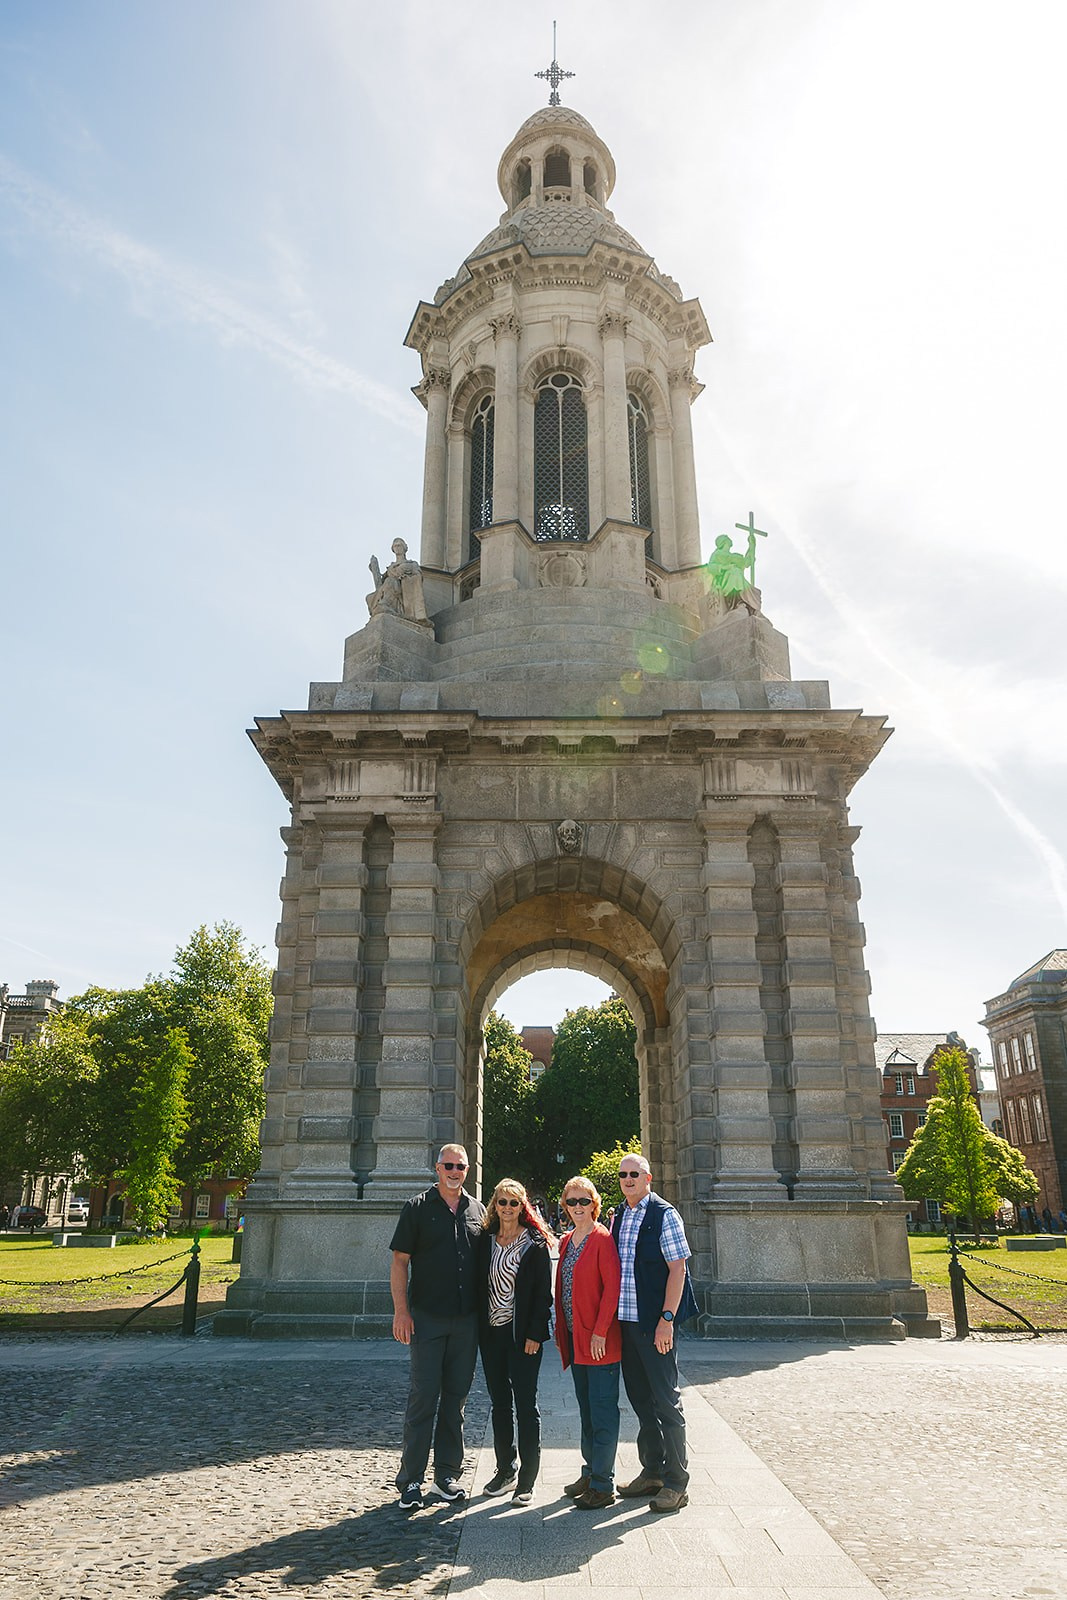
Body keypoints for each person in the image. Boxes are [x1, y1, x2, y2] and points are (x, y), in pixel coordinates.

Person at [389, 1143, 486, 1512]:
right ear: (437, 1167)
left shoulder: (477, 1210)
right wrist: (402, 1312)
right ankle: (411, 1480)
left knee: (455, 1402)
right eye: (448, 1164)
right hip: (426, 1319)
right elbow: (400, 1263)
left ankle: (446, 1475)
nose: (455, 1171)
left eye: (460, 1166)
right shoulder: (416, 1208)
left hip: (466, 1322)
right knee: (422, 1400)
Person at [611, 1153, 698, 1514]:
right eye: (623, 1175)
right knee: (641, 1401)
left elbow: (677, 1270)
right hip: (627, 1325)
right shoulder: (619, 1216)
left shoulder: (664, 1215)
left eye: (635, 1174)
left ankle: (677, 1483)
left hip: (654, 1325)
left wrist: (667, 1319)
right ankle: (653, 1470)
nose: (628, 1179)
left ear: (648, 1178)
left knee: (666, 1402)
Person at [476, 1179, 553, 1504]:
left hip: (523, 1336)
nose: (508, 1208)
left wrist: (535, 1333)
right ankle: (505, 1470)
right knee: (499, 1405)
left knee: (525, 1406)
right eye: (503, 1202)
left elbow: (541, 1297)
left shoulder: (534, 1245)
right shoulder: (484, 1242)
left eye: (514, 1203)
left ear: (524, 1207)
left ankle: (527, 1480)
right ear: (494, 1205)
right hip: (491, 1335)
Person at [554, 1175, 622, 1510]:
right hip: (575, 1338)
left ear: (594, 1204)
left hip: (599, 1342)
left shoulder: (602, 1238)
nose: (578, 1207)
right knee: (586, 1411)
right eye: (572, 1201)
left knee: (603, 1412)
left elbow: (612, 1289)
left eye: (584, 1201)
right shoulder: (567, 1240)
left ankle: (603, 1485)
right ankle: (590, 1472)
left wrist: (600, 1331)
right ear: (564, 1206)